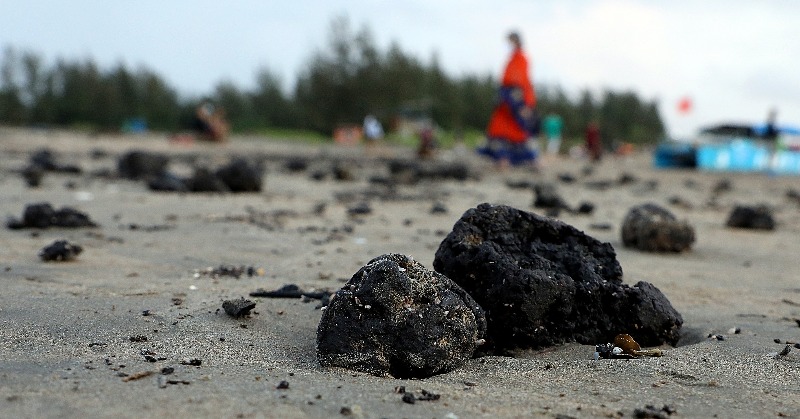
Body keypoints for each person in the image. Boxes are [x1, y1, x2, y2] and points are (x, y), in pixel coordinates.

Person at [478, 31, 539, 168]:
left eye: (510, 41)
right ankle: (504, 158)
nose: (508, 44)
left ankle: (529, 159)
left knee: (521, 129)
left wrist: (521, 104)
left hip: (517, 98)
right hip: (506, 101)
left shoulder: (521, 58)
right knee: (501, 130)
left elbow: (519, 80)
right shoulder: (512, 58)